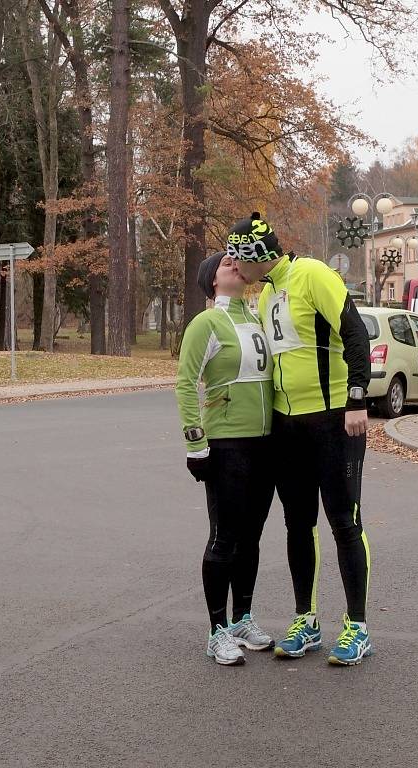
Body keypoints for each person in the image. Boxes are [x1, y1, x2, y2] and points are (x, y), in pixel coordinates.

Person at [226, 213, 372, 665]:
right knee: (297, 523)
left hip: (333, 420)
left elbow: (355, 332)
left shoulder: (312, 274)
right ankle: (306, 620)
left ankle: (357, 626)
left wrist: (357, 398)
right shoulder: (267, 291)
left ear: (256, 257)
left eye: (237, 257)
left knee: (344, 521)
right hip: (289, 426)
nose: (233, 265)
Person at [175, 251, 275, 666]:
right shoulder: (207, 322)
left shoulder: (257, 319)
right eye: (224, 263)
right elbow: (185, 384)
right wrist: (196, 446)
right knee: (225, 537)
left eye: (237, 259)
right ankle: (217, 630)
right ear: (211, 281)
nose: (235, 264)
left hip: (265, 444)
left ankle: (242, 619)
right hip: (227, 444)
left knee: (251, 535)